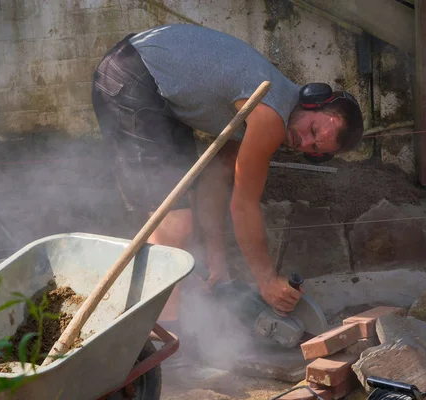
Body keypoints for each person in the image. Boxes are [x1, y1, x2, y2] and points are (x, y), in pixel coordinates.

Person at [91, 24, 364, 330]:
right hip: (132, 78)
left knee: (181, 211)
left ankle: (160, 324)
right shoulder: (270, 117)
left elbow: (215, 178)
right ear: (313, 100)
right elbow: (244, 205)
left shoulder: (263, 107)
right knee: (173, 221)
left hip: (158, 95)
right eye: (313, 130)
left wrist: (217, 258)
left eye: (313, 148)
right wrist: (267, 280)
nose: (303, 142)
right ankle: (162, 336)